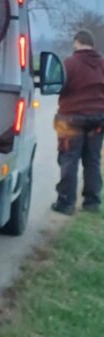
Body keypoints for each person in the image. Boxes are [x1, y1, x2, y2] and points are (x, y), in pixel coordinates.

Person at [52, 29, 104, 215]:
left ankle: (66, 203)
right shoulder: (102, 64)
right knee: (93, 160)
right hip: (97, 120)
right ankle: (92, 203)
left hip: (71, 119)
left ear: (77, 42)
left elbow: (57, 86)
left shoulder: (70, 63)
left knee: (69, 159)